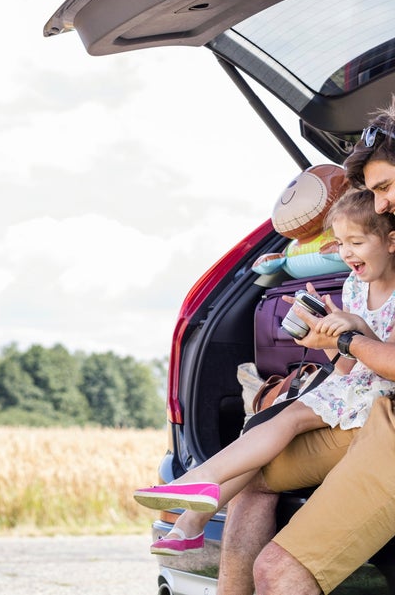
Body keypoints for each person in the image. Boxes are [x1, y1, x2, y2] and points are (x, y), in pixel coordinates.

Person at [134, 186, 395, 557]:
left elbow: (385, 361)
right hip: (350, 386)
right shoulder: (353, 285)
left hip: (380, 400)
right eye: (340, 243)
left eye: (356, 241)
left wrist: (353, 331)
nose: (346, 252)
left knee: (282, 424)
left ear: (391, 241)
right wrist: (326, 340)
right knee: (266, 425)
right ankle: (190, 514)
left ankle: (198, 491)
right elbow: (348, 364)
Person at [219, 100, 395, 595]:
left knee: (278, 572)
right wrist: (337, 345)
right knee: (249, 472)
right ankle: (193, 507)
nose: (381, 204)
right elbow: (353, 364)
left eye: (384, 188)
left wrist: (346, 336)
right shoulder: (361, 280)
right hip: (372, 410)